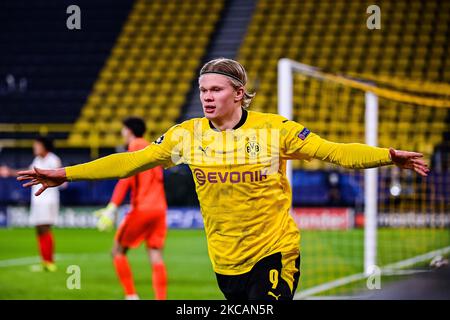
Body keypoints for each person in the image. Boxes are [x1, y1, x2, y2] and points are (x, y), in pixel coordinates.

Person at [16, 58, 429, 300]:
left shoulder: (275, 130)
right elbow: (128, 162)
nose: (207, 97)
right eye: (202, 90)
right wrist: (64, 173)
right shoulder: (186, 136)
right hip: (225, 260)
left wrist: (388, 156)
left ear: (239, 92)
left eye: (216, 89)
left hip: (274, 252)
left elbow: (334, 151)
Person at [94, 117, 168, 300]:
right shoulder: (153, 147)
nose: (122, 133)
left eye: (123, 130)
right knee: (156, 255)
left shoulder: (134, 145)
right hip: (159, 208)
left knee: (117, 251)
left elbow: (125, 177)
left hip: (143, 207)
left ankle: (131, 296)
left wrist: (112, 207)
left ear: (129, 130)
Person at [1, 136, 62, 272]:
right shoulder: (37, 160)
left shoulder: (53, 159)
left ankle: (50, 262)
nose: (35, 147)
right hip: (38, 199)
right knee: (39, 229)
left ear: (44, 146)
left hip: (49, 199)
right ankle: (44, 261)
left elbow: (59, 176)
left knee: (45, 227)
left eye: (37, 145)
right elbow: (29, 172)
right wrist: (10, 172)